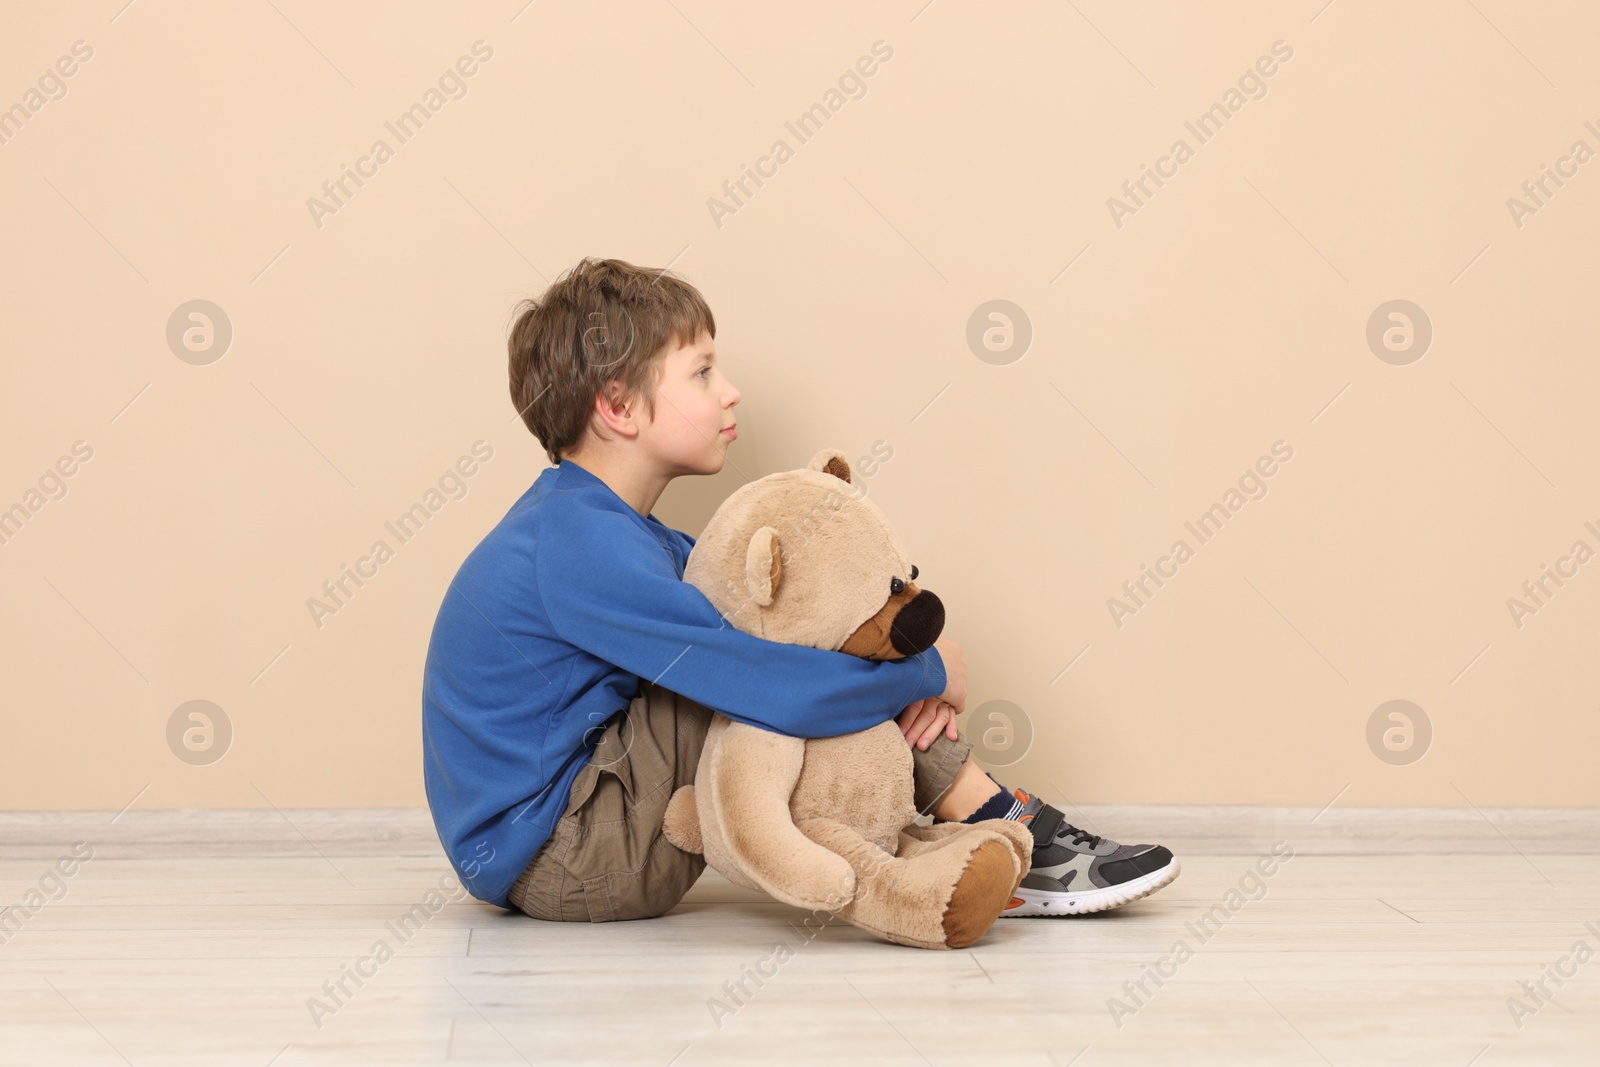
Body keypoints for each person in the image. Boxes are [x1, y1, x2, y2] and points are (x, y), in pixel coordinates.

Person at [421, 257, 1179, 924]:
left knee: (789, 616)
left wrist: (905, 663)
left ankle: (962, 838)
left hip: (568, 839)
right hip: (564, 854)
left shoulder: (615, 532)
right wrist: (927, 672)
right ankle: (1002, 821)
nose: (731, 392)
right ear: (617, 406)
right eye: (702, 372)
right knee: (776, 672)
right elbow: (770, 682)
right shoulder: (580, 546)